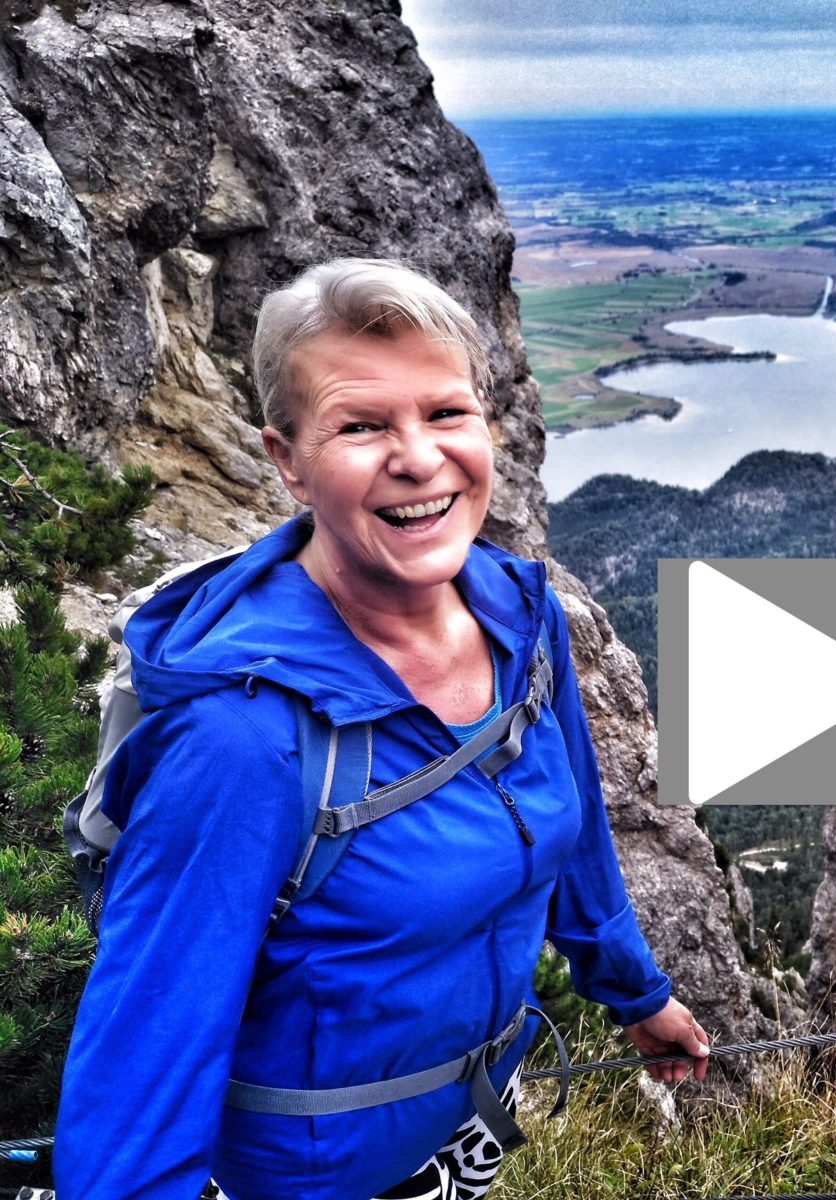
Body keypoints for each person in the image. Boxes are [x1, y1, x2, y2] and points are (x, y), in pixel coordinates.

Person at [55, 259, 710, 1200]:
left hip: (470, 1129)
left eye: (446, 412)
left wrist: (634, 992)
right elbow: (141, 1077)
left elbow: (577, 835)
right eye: (361, 426)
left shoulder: (522, 615)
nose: (417, 457)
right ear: (287, 460)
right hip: (316, 1179)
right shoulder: (242, 742)